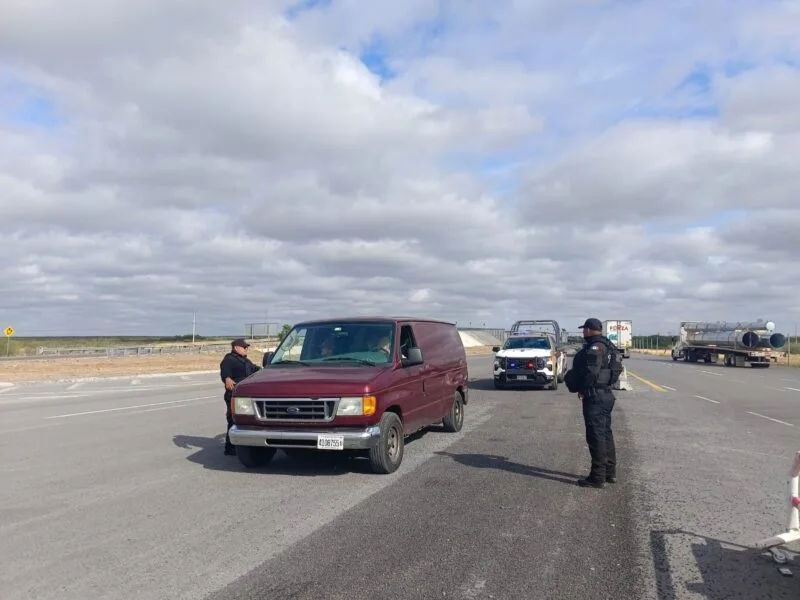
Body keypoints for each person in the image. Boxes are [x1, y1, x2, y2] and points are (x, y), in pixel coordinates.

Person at [565, 318, 618, 488]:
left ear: (588, 330)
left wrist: (582, 388)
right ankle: (610, 473)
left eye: (584, 330)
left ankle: (597, 477)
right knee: (605, 434)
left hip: (595, 396)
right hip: (606, 394)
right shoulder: (609, 346)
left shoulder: (595, 348)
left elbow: (591, 372)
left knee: (596, 436)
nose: (583, 333)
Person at [219, 338, 261, 455]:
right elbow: (225, 373)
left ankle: (243, 444)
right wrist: (227, 378)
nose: (246, 349)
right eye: (244, 347)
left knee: (244, 420)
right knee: (232, 420)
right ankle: (230, 448)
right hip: (233, 394)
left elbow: (255, 369)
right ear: (236, 347)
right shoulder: (229, 359)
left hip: (245, 395)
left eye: (247, 347)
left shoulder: (245, 361)